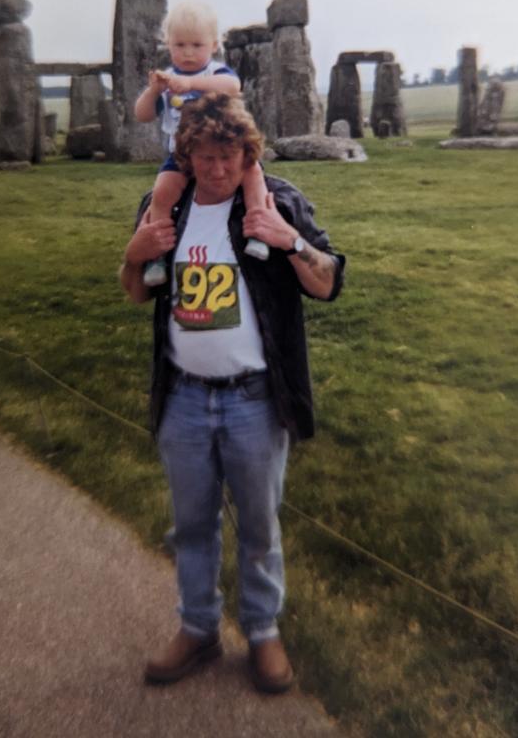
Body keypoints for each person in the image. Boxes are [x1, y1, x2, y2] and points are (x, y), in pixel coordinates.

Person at [120, 94, 345, 693]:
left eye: (230, 156)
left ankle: (263, 630)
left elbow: (328, 285)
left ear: (249, 155)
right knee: (191, 524)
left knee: (259, 525)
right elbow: (139, 292)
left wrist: (289, 241)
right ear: (185, 155)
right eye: (204, 156)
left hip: (255, 399)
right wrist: (131, 256)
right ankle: (198, 628)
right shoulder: (165, 206)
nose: (217, 169)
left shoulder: (278, 202)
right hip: (185, 398)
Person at [134, 0, 269, 287]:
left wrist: (192, 85)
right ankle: (157, 256)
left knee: (254, 174)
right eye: (179, 45)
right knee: (162, 193)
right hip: (181, 155)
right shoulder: (166, 80)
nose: (188, 53)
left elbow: (233, 87)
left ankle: (259, 230)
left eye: (197, 45)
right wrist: (153, 91)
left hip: (223, 149)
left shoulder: (214, 73)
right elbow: (142, 114)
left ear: (213, 44)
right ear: (167, 44)